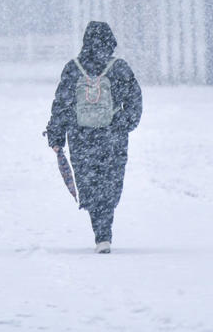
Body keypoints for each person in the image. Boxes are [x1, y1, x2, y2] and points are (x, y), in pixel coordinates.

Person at [45, 20, 142, 253]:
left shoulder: (73, 68)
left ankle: (100, 232)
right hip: (113, 138)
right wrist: (123, 122)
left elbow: (61, 104)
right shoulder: (119, 68)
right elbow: (135, 101)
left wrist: (56, 136)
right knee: (110, 182)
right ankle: (104, 233)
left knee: (90, 183)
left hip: (81, 137)